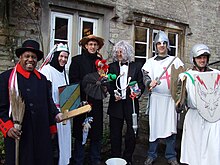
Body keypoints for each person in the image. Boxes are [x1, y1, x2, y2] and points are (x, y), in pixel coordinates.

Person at [0, 40, 62, 165]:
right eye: (27, 56)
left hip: (41, 134)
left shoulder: (42, 80)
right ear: (20, 57)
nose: (30, 60)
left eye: (33, 57)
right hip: (20, 135)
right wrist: (8, 128)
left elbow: (49, 103)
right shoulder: (6, 78)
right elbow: (1, 108)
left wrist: (55, 118)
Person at [142, 31, 183, 165]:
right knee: (154, 127)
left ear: (167, 45)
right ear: (155, 45)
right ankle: (151, 154)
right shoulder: (150, 62)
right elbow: (145, 76)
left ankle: (171, 156)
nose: (161, 45)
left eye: (164, 43)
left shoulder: (175, 61)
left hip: (170, 99)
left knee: (171, 127)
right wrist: (149, 83)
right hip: (157, 99)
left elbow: (183, 77)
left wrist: (179, 96)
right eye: (159, 43)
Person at [178, 44, 220, 165]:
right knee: (194, 147)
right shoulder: (185, 76)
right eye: (199, 57)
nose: (202, 60)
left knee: (213, 147)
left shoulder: (217, 74)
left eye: (204, 57)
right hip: (194, 115)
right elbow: (180, 97)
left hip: (213, 117)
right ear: (194, 59)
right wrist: (179, 103)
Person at [107, 40, 145, 165]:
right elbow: (109, 84)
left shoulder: (137, 66)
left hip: (131, 104)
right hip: (116, 104)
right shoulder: (112, 67)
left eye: (121, 51)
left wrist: (138, 92)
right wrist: (114, 93)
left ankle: (128, 157)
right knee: (115, 133)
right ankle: (115, 158)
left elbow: (141, 83)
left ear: (127, 52)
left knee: (132, 132)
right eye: (117, 52)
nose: (119, 54)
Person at [69, 35, 104, 165]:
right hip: (82, 101)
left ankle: (95, 159)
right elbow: (73, 80)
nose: (93, 47)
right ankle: (79, 160)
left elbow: (103, 80)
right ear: (85, 46)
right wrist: (87, 86)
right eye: (90, 44)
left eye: (95, 45)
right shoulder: (77, 60)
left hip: (96, 101)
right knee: (80, 132)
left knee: (96, 133)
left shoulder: (101, 63)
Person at [40, 43, 71, 165]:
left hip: (64, 115)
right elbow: (46, 95)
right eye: (61, 56)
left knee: (64, 146)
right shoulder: (47, 70)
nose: (63, 59)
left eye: (66, 57)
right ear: (56, 55)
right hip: (53, 116)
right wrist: (55, 112)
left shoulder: (64, 73)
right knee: (54, 147)